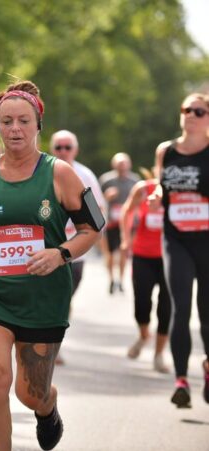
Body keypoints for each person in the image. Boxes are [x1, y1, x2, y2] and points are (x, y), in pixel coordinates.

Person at [0, 81, 102, 450]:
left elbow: (92, 227)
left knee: (29, 393)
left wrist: (60, 254)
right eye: (6, 122)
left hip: (43, 296)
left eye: (23, 121)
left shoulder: (61, 173)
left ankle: (47, 406)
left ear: (37, 126)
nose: (15, 129)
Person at [149, 93, 209, 408]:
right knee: (180, 306)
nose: (191, 115)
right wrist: (158, 195)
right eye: (186, 109)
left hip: (207, 239)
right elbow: (163, 184)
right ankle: (182, 381)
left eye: (199, 111)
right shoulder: (166, 151)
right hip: (176, 238)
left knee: (207, 312)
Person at [49, 130, 106, 365]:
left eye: (67, 147)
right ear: (52, 149)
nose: (63, 151)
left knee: (64, 300)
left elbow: (98, 212)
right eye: (59, 147)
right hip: (47, 248)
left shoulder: (84, 175)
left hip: (75, 252)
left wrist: (91, 236)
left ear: (76, 149)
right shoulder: (43, 172)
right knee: (46, 298)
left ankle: (55, 343)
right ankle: (42, 345)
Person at [119, 171, 171, 373]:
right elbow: (127, 211)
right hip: (142, 255)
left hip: (170, 258)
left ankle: (159, 355)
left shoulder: (177, 192)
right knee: (142, 303)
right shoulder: (143, 189)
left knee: (166, 308)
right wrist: (125, 238)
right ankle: (143, 336)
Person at [99, 153, 140, 294]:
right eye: (119, 163)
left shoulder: (135, 181)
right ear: (114, 165)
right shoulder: (106, 180)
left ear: (129, 164)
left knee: (124, 252)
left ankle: (121, 281)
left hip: (128, 223)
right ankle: (111, 279)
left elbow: (140, 202)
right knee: (109, 253)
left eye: (124, 163)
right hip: (110, 222)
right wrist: (106, 196)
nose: (122, 166)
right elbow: (96, 200)